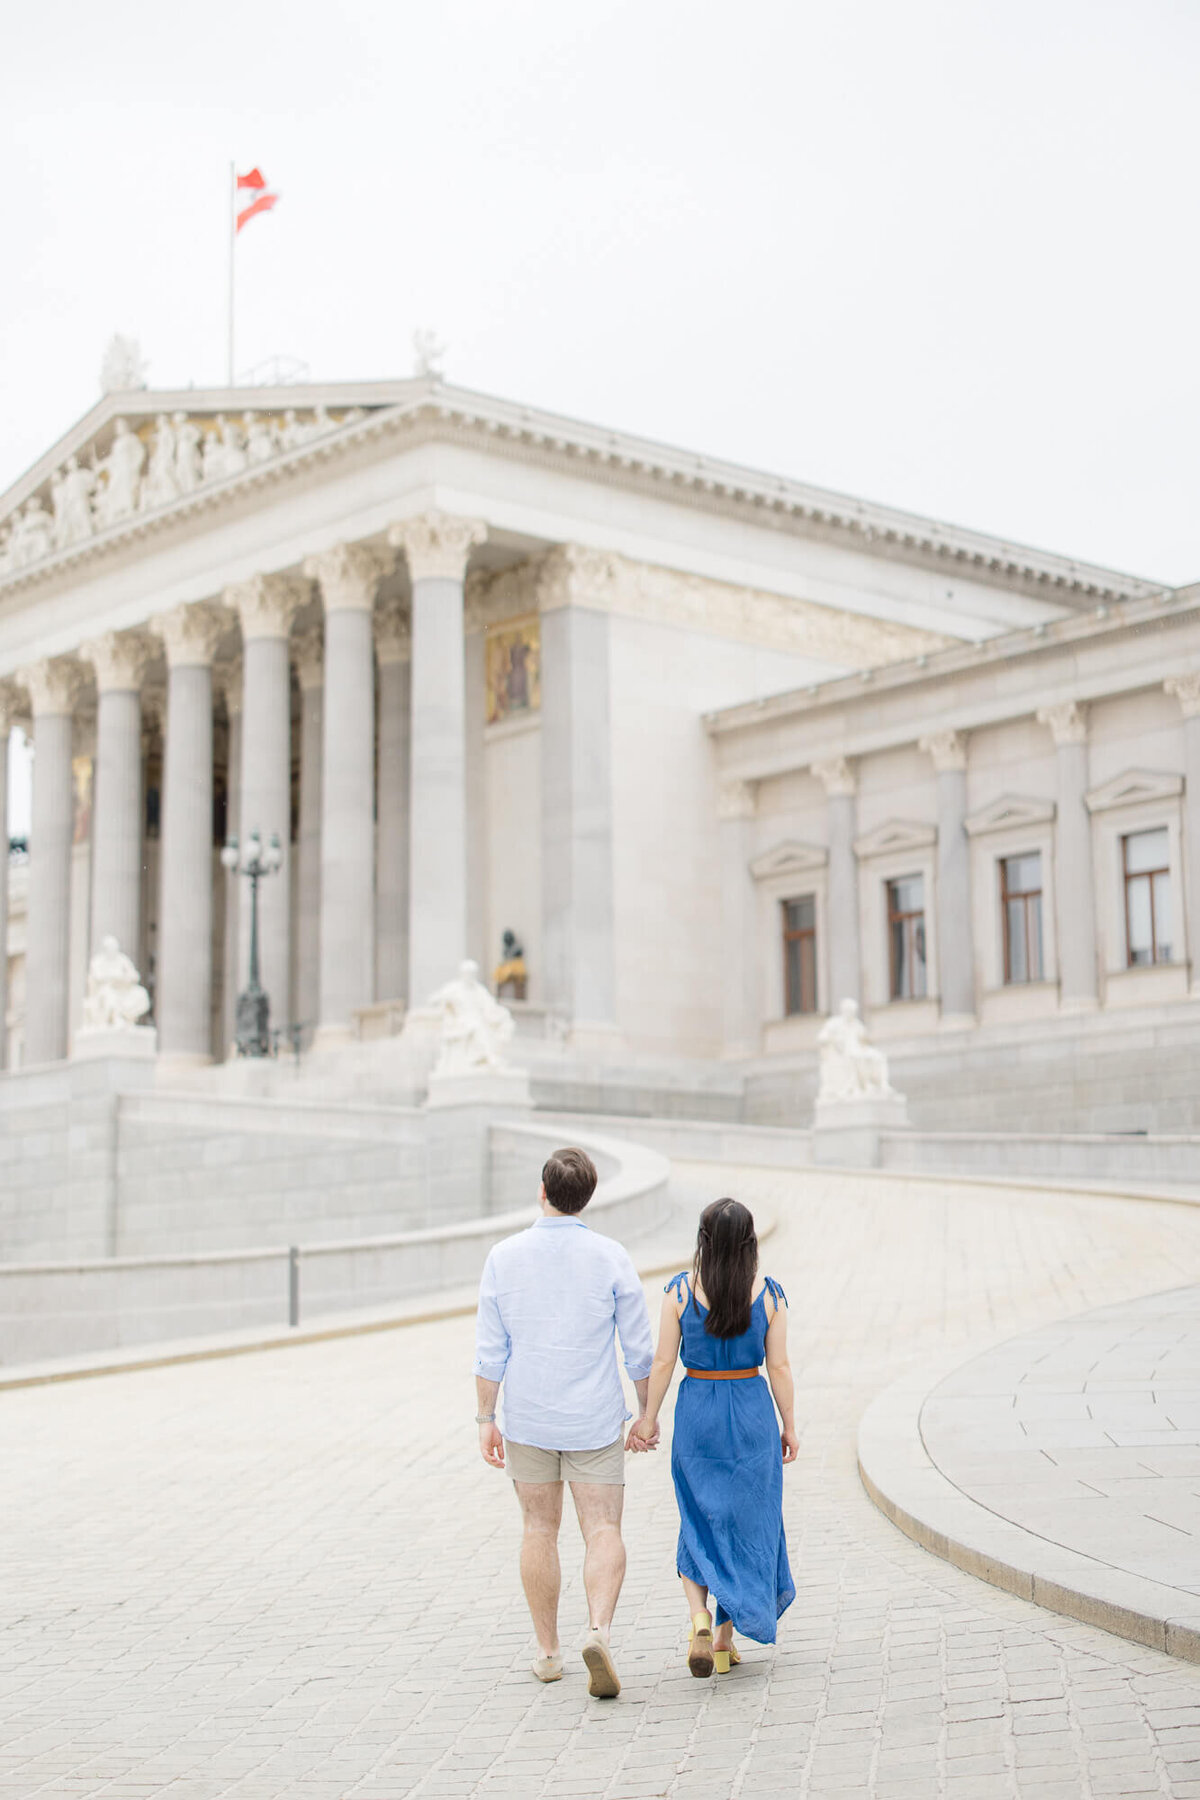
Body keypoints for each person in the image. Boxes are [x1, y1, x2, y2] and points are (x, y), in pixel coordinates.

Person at [474, 1147, 654, 1698]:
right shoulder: (610, 1256)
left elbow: (489, 1351)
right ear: (587, 1198)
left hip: (529, 1417)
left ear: (542, 1191)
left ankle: (548, 1652)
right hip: (595, 1418)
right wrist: (646, 1413)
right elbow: (639, 1349)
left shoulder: (504, 1257)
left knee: (538, 1529)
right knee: (603, 1530)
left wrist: (486, 1416)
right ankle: (598, 1630)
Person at [628, 1198, 797, 1674]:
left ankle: (700, 1618)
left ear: (702, 1241)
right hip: (750, 1413)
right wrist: (789, 1425)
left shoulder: (679, 1294)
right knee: (747, 1524)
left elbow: (662, 1362)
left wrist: (648, 1418)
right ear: (751, 1244)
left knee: (699, 1518)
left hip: (698, 1411)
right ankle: (723, 1639)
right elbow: (779, 1366)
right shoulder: (770, 1296)